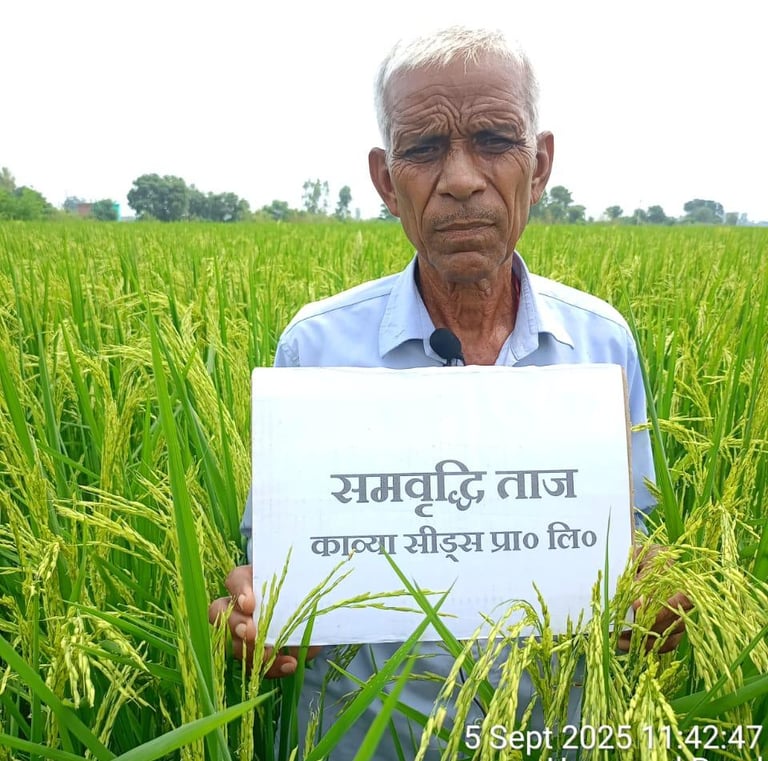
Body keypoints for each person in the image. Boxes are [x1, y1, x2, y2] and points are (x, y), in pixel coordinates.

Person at [209, 25, 691, 758]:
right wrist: (253, 611)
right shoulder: (316, 348)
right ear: (384, 179)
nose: (462, 178)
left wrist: (656, 596)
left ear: (540, 165)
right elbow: (274, 572)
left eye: (495, 140)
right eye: (425, 148)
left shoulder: (601, 345)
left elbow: (633, 551)